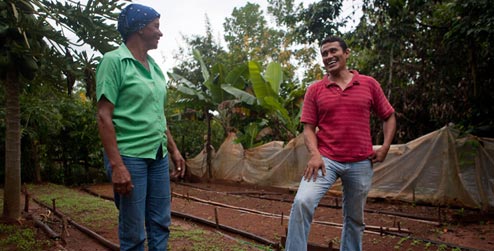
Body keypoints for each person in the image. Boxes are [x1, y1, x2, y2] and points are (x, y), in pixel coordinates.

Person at [285, 36, 396, 251]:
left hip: (361, 162)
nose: (328, 56)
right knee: (302, 202)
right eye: (324, 54)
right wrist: (315, 154)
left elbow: (389, 116)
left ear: (346, 53)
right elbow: (308, 128)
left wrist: (385, 147)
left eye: (333, 51)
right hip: (325, 160)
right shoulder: (315, 90)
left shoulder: (368, 84)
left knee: (355, 219)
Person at [96, 3, 185, 251]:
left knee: (160, 223)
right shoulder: (114, 62)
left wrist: (174, 150)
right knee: (134, 231)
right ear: (139, 29)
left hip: (158, 156)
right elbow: (104, 116)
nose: (160, 32)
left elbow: (158, 115)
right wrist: (117, 166)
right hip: (129, 156)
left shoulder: (154, 67)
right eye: (155, 26)